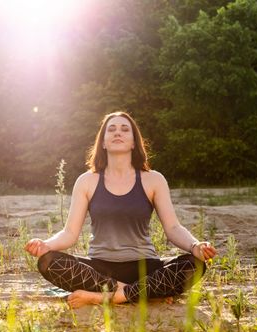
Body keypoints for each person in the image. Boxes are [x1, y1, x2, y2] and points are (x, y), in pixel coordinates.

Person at [25, 111, 217, 308]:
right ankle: (141, 293)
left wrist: (195, 246)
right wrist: (46, 245)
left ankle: (106, 297)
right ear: (103, 142)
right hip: (100, 271)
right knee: (48, 261)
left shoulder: (154, 179)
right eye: (112, 129)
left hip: (145, 267)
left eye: (125, 129)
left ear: (134, 142)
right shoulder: (86, 181)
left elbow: (173, 228)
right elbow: (70, 233)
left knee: (194, 265)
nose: (118, 133)